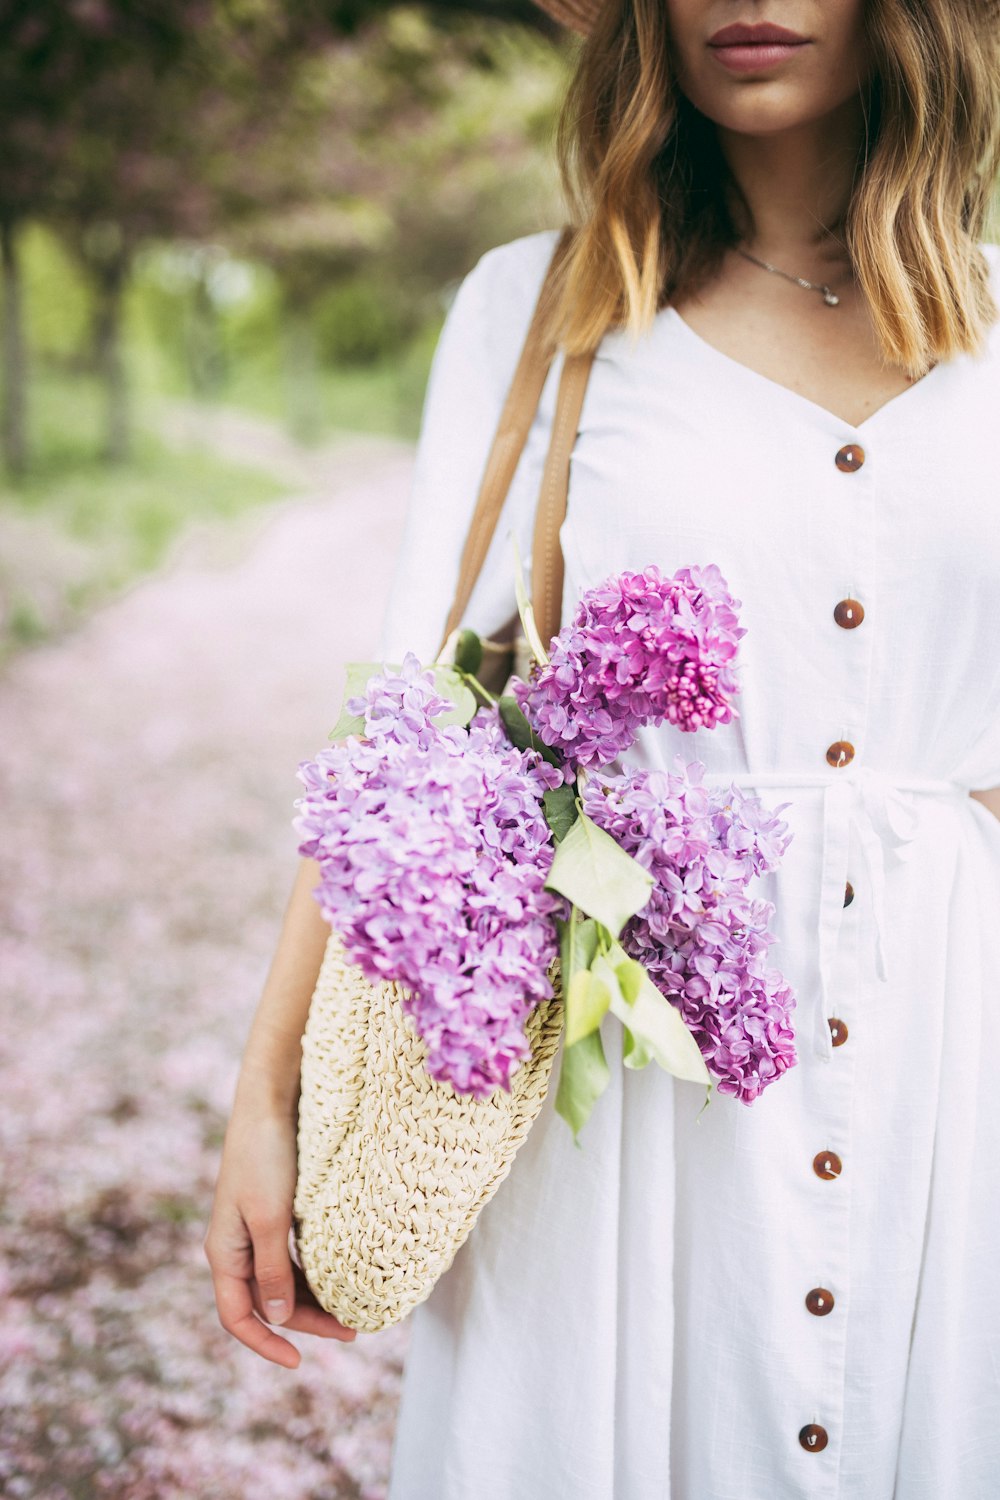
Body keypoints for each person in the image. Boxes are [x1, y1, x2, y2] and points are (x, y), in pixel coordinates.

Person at [205, 0, 1000, 1494]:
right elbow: (412, 724)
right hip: (627, 1096)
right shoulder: (541, 314)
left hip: (960, 1083)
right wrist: (268, 1093)